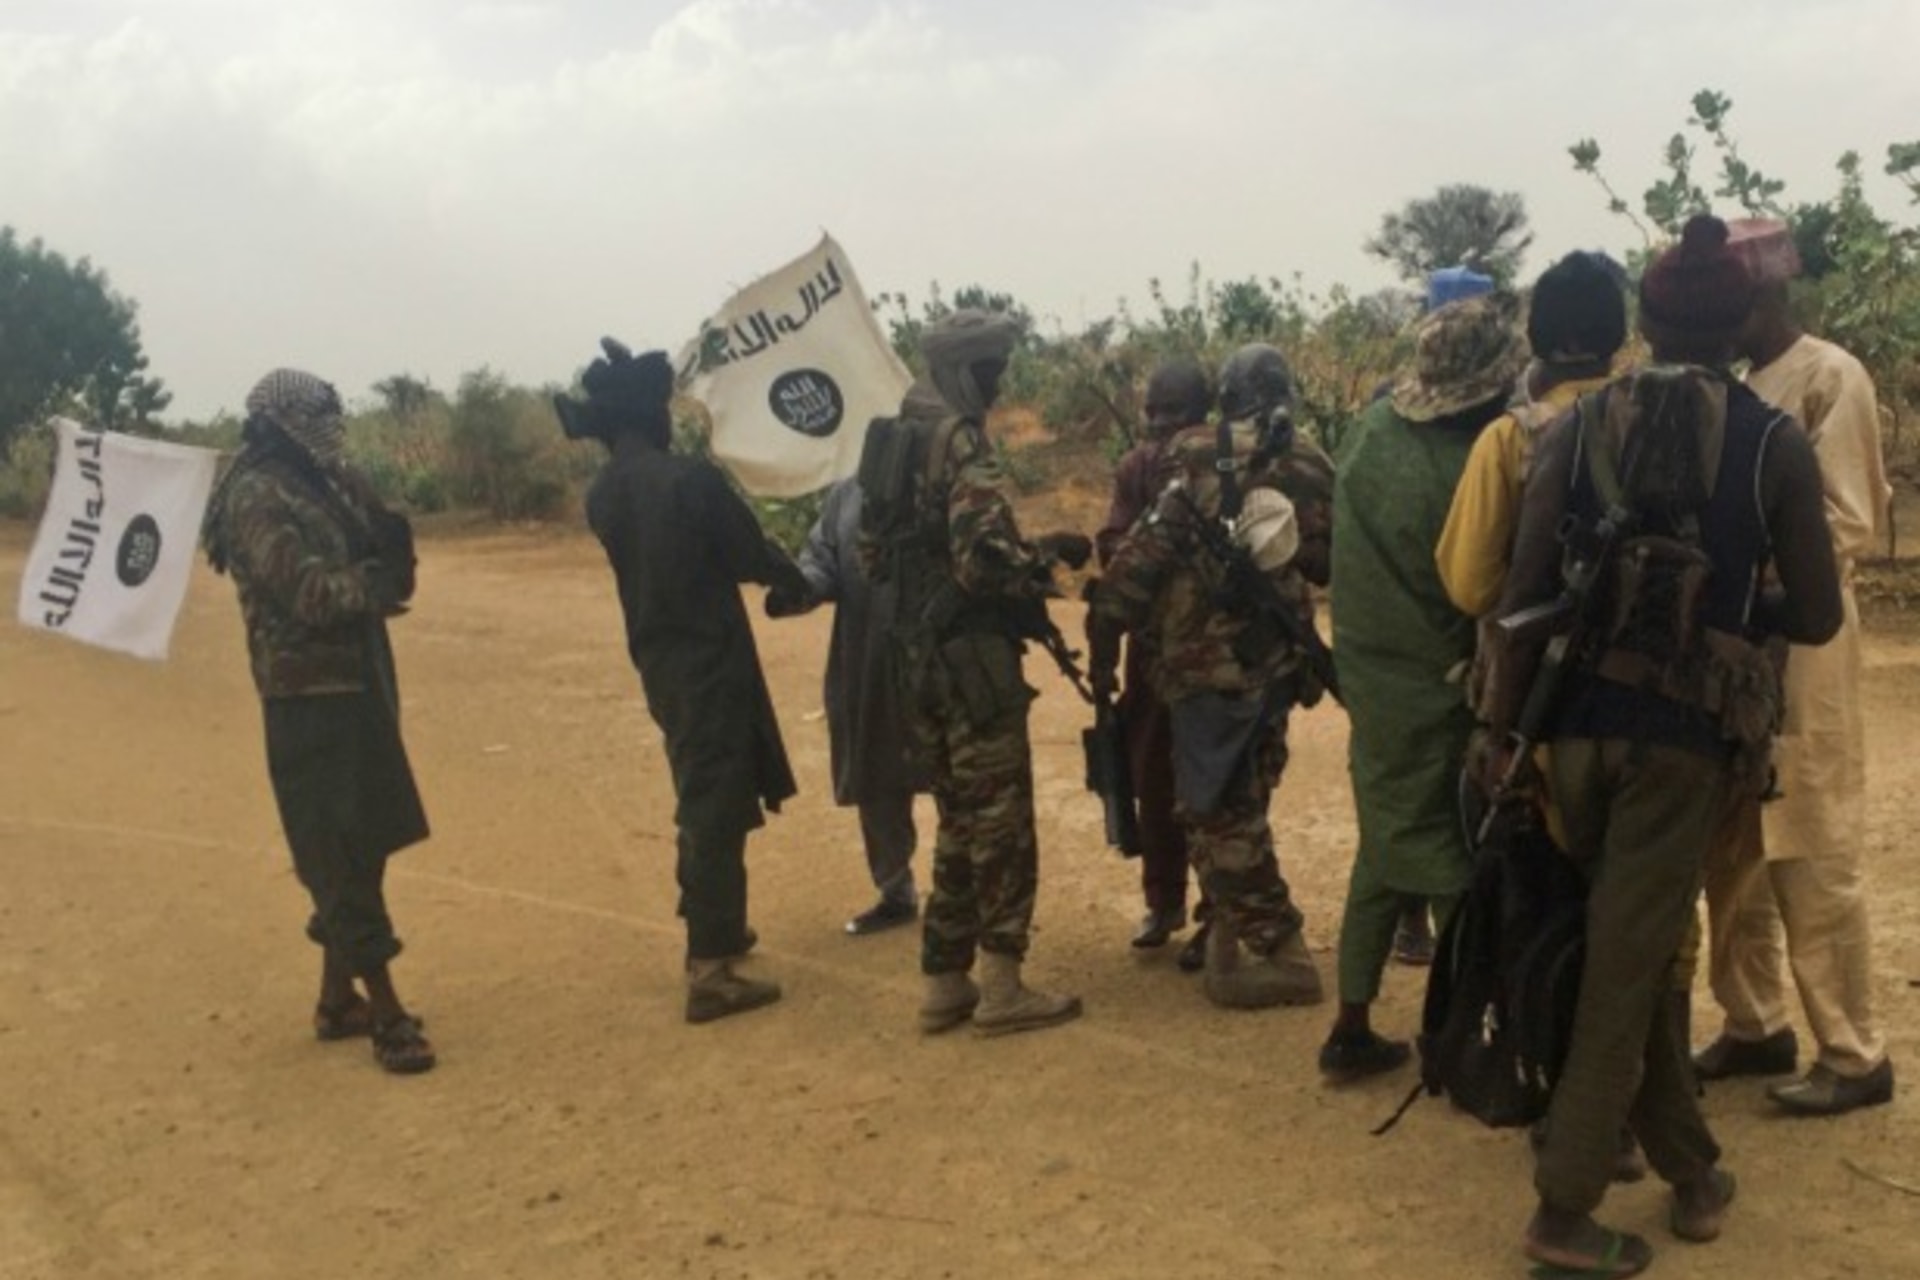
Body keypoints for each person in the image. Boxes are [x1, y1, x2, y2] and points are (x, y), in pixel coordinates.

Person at [1493, 214, 1842, 1276]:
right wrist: (1729, 608)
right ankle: (1563, 1207)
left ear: (1644, 323)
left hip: (1573, 733)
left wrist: (1499, 734)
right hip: (1682, 746)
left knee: (1628, 946)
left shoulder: (1574, 430)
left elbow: (1521, 599)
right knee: (1625, 961)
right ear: (1740, 325)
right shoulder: (1773, 443)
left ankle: (1692, 1169)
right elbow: (1819, 614)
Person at [1693, 218, 1897, 1115]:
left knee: (1811, 841)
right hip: (1746, 648)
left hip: (1806, 647)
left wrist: (1749, 577)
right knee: (1733, 846)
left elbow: (1847, 521)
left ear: (1766, 296)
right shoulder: (1745, 385)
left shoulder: (1830, 377)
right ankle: (1755, 1022)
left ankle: (1854, 1054)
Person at [201, 368, 436, 1075]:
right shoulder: (255, 495)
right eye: (316, 418)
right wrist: (373, 583)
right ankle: (387, 1015)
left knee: (364, 838)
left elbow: (376, 546)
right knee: (337, 851)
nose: (331, 431)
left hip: (358, 679)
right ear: (279, 424)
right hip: (305, 696)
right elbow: (306, 591)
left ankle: (337, 1001)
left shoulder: (321, 482)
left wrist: (383, 528)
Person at [1319, 293, 1529, 1079]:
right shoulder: (1473, 463)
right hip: (1442, 684)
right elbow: (1481, 586)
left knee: (1385, 841)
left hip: (1370, 679)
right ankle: (1461, 1030)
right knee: (1454, 854)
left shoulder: (1368, 434)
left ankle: (1352, 1021)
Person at [1089, 342, 1332, 1011]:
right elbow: (1327, 563)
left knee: (1216, 816)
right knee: (1241, 802)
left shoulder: (1194, 456)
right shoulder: (1311, 459)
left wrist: (1105, 646)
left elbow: (1133, 568)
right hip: (1277, 667)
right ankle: (1225, 944)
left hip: (1205, 674)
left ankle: (1283, 951)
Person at [573, 339, 807, 1024]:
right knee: (714, 803)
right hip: (711, 658)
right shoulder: (686, 481)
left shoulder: (603, 493)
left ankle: (720, 925)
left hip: (661, 661)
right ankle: (710, 966)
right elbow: (746, 551)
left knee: (702, 786)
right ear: (650, 415)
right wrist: (794, 578)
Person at [899, 309, 1090, 1037]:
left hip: (916, 659)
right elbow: (981, 561)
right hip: (973, 666)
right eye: (990, 371)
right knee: (1002, 825)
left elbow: (875, 554)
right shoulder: (960, 443)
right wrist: (1046, 557)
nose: (999, 385)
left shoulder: (896, 438)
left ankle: (944, 981)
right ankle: (1003, 987)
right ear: (961, 369)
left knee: (957, 820)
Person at [774, 434, 935, 935]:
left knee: (955, 773)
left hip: (936, 663)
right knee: (876, 773)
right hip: (868, 661)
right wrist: (796, 589)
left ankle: (967, 889)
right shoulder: (847, 494)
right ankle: (895, 889)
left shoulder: (938, 482)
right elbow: (821, 562)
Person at [1092, 360, 1210, 954]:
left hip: (1212, 654)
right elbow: (1112, 547)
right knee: (1154, 780)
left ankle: (1219, 913)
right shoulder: (1136, 467)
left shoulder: (1223, 467)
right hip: (1153, 652)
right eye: (1154, 413)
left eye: (1175, 412)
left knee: (1214, 785)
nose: (1162, 425)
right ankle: (1164, 903)